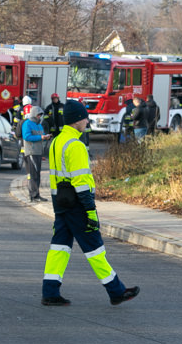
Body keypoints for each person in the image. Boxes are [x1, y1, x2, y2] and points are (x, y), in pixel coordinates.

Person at [41, 99, 140, 307]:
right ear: (77, 120)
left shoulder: (56, 141)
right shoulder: (75, 145)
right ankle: (116, 290)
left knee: (59, 247)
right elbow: (81, 182)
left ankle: (50, 291)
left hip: (60, 203)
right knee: (95, 248)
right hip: (77, 204)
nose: (87, 120)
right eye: (84, 117)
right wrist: (91, 211)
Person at [22, 106, 51, 202]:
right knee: (33, 174)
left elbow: (40, 136)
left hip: (38, 152)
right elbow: (26, 137)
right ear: (34, 114)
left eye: (41, 115)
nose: (40, 116)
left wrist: (46, 137)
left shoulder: (39, 125)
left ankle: (37, 194)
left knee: (37, 173)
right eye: (38, 115)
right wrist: (41, 137)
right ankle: (33, 195)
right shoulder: (27, 124)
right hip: (31, 152)